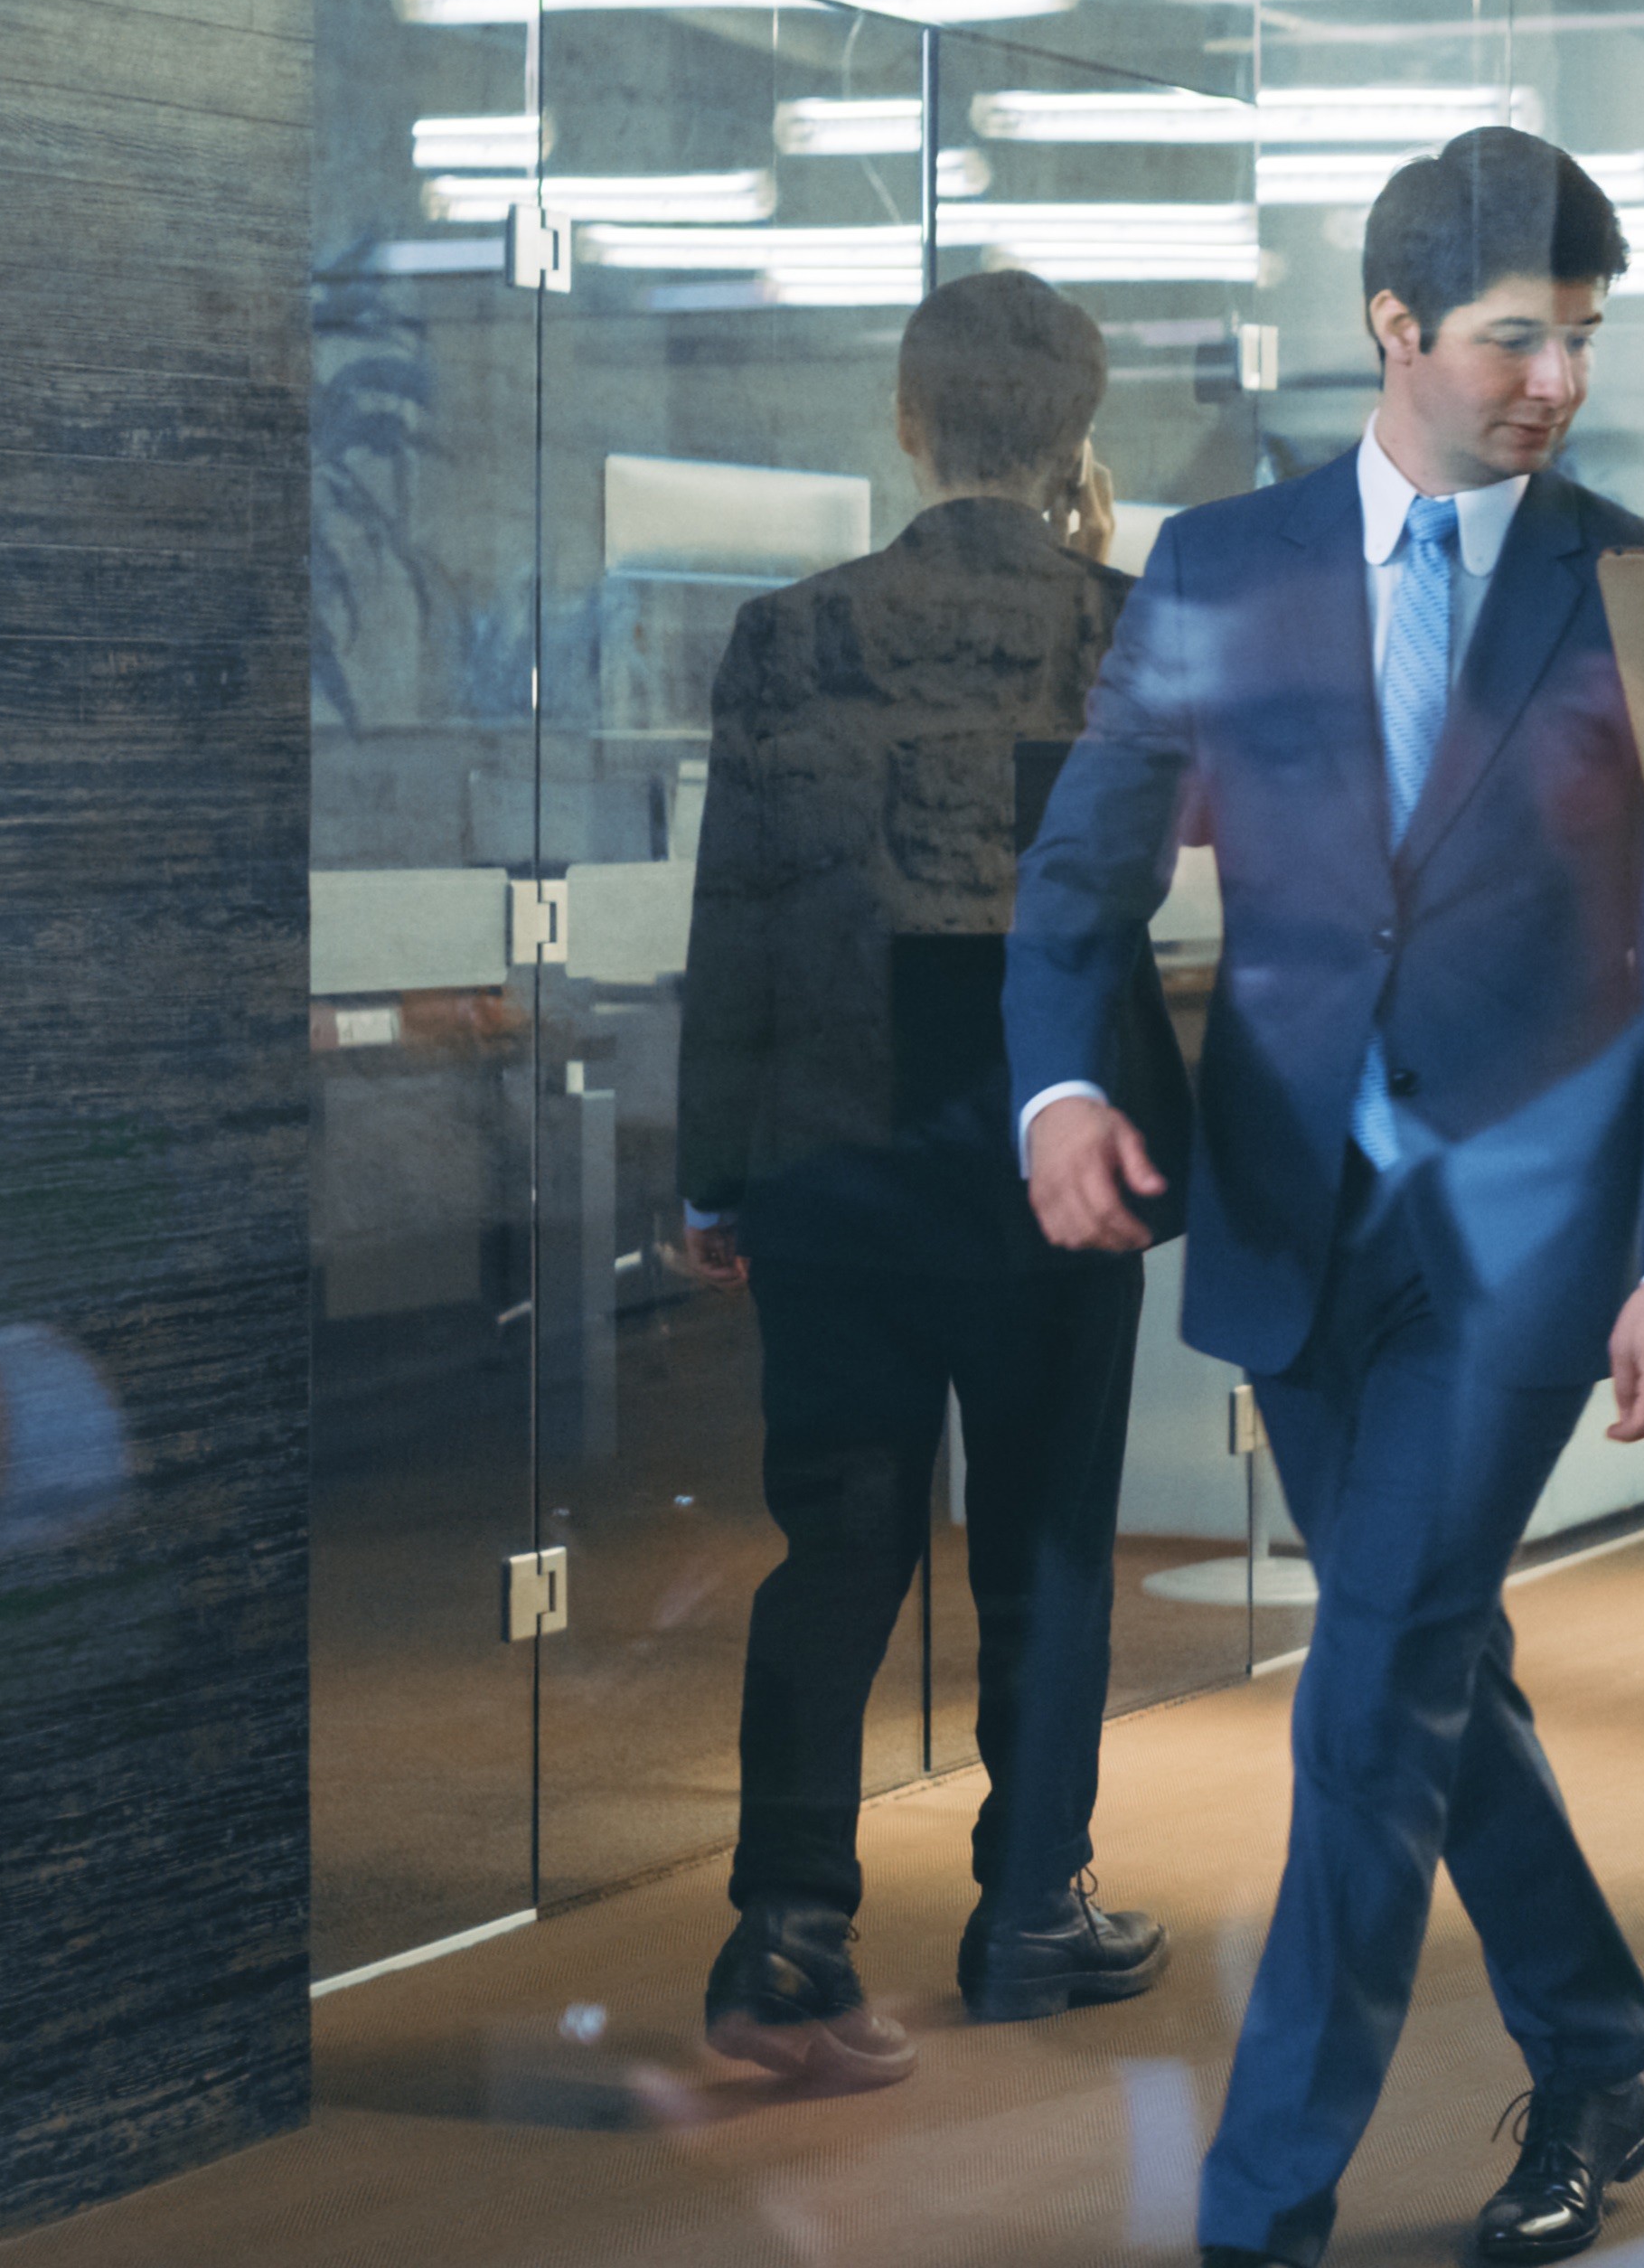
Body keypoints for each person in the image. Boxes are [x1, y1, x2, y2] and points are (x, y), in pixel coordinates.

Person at [1005, 127, 1644, 2268]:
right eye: (1519, 334)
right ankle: (1601, 2042)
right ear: (1394, 328)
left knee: (1364, 1701)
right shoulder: (1218, 566)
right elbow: (1084, 868)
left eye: (1584, 340)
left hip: (1535, 1242)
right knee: (1427, 1657)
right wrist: (1062, 1089)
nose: (1556, 378)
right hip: (1287, 1213)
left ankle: (1263, 2209)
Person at [676, 268, 1182, 2093]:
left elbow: (732, 911)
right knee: (1046, 1536)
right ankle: (1031, 1905)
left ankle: (788, 1930)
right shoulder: (1129, 626)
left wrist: (712, 1172)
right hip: (1051, 1141)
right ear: (1074, 433)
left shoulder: (788, 633)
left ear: (906, 419)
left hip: (830, 1139)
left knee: (839, 1536)